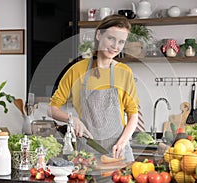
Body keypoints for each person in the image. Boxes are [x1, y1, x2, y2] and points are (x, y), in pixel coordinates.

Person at [49, 14, 139, 161]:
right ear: (99, 35)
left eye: (121, 41)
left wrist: (122, 142)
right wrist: (72, 120)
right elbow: (52, 109)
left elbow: (133, 115)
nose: (115, 46)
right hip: (87, 155)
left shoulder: (124, 72)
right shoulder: (76, 70)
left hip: (119, 152)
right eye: (111, 38)